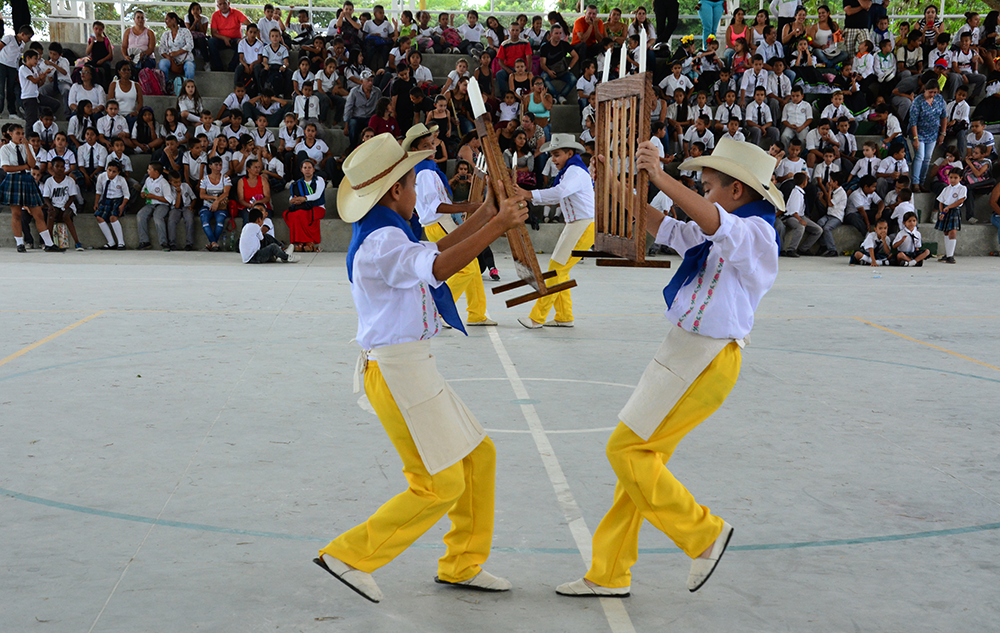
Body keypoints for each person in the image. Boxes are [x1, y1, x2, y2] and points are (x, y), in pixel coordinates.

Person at [556, 136, 780, 598]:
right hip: (683, 349)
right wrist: (613, 185)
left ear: (736, 191)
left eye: (709, 185)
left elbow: (714, 223)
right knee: (640, 462)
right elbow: (666, 227)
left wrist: (660, 177)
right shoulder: (723, 221)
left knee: (627, 451)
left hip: (709, 358)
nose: (703, 192)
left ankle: (704, 535)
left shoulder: (756, 232)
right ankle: (610, 571)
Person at [315, 132, 527, 603]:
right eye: (413, 184)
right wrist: (497, 226)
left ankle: (462, 562)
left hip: (410, 367)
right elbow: (437, 268)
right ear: (396, 190)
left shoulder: (387, 229)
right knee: (438, 484)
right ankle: (351, 556)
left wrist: (490, 214)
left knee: (479, 456)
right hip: (397, 372)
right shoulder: (382, 241)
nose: (418, 192)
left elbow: (434, 251)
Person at [405, 123, 495, 327]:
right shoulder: (425, 173)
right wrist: (470, 206)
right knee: (467, 269)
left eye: (433, 143)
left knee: (471, 262)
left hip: (441, 222)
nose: (433, 147)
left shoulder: (428, 169)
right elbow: (437, 206)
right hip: (438, 223)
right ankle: (439, 310)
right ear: (415, 150)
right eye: (426, 145)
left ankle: (477, 313)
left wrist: (463, 209)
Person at [510, 134, 594, 329]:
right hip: (578, 225)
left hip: (582, 225)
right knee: (560, 270)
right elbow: (557, 194)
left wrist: (528, 194)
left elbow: (559, 193)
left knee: (556, 270)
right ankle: (564, 316)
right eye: (552, 155)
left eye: (557, 155)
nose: (553, 159)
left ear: (570, 153)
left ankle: (537, 317)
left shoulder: (574, 171)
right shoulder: (571, 170)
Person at [3, 123, 63, 253]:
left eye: (22, 133)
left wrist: (26, 146)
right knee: (17, 213)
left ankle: (48, 243)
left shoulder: (27, 146)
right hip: (13, 179)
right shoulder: (5, 149)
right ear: (10, 134)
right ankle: (20, 243)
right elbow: (7, 168)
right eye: (17, 133)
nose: (20, 136)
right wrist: (23, 167)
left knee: (38, 213)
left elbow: (31, 164)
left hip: (27, 179)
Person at [909, 72, 946, 192]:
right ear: (925, 90)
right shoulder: (918, 102)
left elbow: (944, 116)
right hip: (919, 133)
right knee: (920, 156)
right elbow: (913, 121)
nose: (933, 95)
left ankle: (922, 182)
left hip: (933, 134)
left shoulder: (939, 99)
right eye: (931, 92)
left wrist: (943, 133)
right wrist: (915, 138)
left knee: (927, 158)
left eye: (935, 92)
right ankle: (915, 182)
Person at [42, 156, 84, 251]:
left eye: (62, 166)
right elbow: (46, 197)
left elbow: (72, 196)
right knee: (51, 214)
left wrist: (66, 206)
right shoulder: (49, 181)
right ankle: (49, 242)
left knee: (66, 216)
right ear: (52, 168)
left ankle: (77, 243)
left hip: (68, 206)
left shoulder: (69, 180)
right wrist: (50, 206)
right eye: (57, 166)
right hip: (55, 205)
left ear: (65, 168)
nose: (60, 169)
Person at [285, 157, 326, 251]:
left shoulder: (319, 180)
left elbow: (317, 195)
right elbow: (292, 196)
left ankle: (308, 242)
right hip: (303, 207)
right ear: (301, 170)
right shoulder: (298, 183)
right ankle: (300, 242)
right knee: (292, 215)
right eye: (305, 168)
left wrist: (304, 199)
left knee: (300, 214)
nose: (307, 170)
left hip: (318, 208)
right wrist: (292, 200)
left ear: (313, 169)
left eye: (309, 167)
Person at [93, 160, 130, 250]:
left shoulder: (121, 180)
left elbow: (126, 195)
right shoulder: (101, 177)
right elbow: (99, 191)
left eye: (114, 172)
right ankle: (111, 242)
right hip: (106, 199)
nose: (111, 173)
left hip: (117, 200)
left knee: (113, 217)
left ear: (118, 172)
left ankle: (121, 243)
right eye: (109, 170)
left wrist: (122, 205)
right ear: (106, 169)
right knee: (99, 217)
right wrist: (96, 203)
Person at [539, 23, 578, 104]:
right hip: (549, 71)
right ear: (551, 34)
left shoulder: (564, 45)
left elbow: (576, 56)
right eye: (556, 33)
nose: (558, 35)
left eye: (560, 33)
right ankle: (558, 96)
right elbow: (542, 64)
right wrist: (549, 71)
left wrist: (569, 68)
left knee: (573, 79)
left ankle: (559, 96)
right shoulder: (545, 47)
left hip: (563, 71)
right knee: (544, 79)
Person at [0, 25, 33, 118]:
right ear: (22, 34)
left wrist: (18, 71)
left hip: (12, 68)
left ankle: (12, 112)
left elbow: (18, 59)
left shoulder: (22, 45)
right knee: (1, 89)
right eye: (28, 37)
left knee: (11, 90)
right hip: (2, 64)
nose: (29, 40)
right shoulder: (9, 38)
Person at [137, 162, 172, 250]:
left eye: (149, 169)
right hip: (150, 204)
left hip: (162, 205)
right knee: (140, 216)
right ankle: (144, 241)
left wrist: (154, 196)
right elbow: (143, 190)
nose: (147, 171)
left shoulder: (164, 183)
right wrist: (143, 194)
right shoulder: (148, 180)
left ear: (156, 172)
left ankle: (164, 242)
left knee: (158, 217)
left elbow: (168, 199)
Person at [208, 0, 250, 72]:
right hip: (221, 40)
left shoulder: (237, 13)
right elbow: (213, 33)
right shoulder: (215, 15)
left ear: (229, 3)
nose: (223, 6)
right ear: (217, 6)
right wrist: (224, 38)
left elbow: (250, 25)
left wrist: (244, 38)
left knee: (242, 44)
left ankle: (232, 67)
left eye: (224, 3)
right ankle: (218, 67)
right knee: (211, 42)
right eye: (220, 4)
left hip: (235, 39)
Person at [935, 169, 966, 264]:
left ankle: (950, 255)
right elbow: (941, 201)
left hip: (954, 210)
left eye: (955, 178)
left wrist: (949, 207)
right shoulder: (946, 189)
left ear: (960, 178)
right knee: (946, 232)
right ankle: (947, 254)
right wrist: (942, 212)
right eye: (951, 177)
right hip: (945, 211)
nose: (952, 180)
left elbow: (960, 200)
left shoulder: (962, 188)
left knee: (953, 232)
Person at [816, 170, 848, 256]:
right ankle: (823, 245)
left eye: (831, 181)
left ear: (835, 182)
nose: (829, 183)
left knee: (827, 228)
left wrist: (829, 191)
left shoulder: (841, 193)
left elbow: (830, 203)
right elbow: (828, 205)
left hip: (836, 217)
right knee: (819, 224)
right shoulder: (834, 192)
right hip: (828, 215)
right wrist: (821, 198)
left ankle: (832, 250)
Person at [159, 12, 196, 83]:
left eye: (167, 19)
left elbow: (190, 45)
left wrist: (177, 53)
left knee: (190, 67)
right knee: (162, 63)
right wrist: (168, 57)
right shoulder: (165, 34)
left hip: (185, 59)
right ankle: (166, 85)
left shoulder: (185, 31)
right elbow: (161, 49)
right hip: (171, 60)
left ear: (173, 19)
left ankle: (188, 87)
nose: (165, 21)